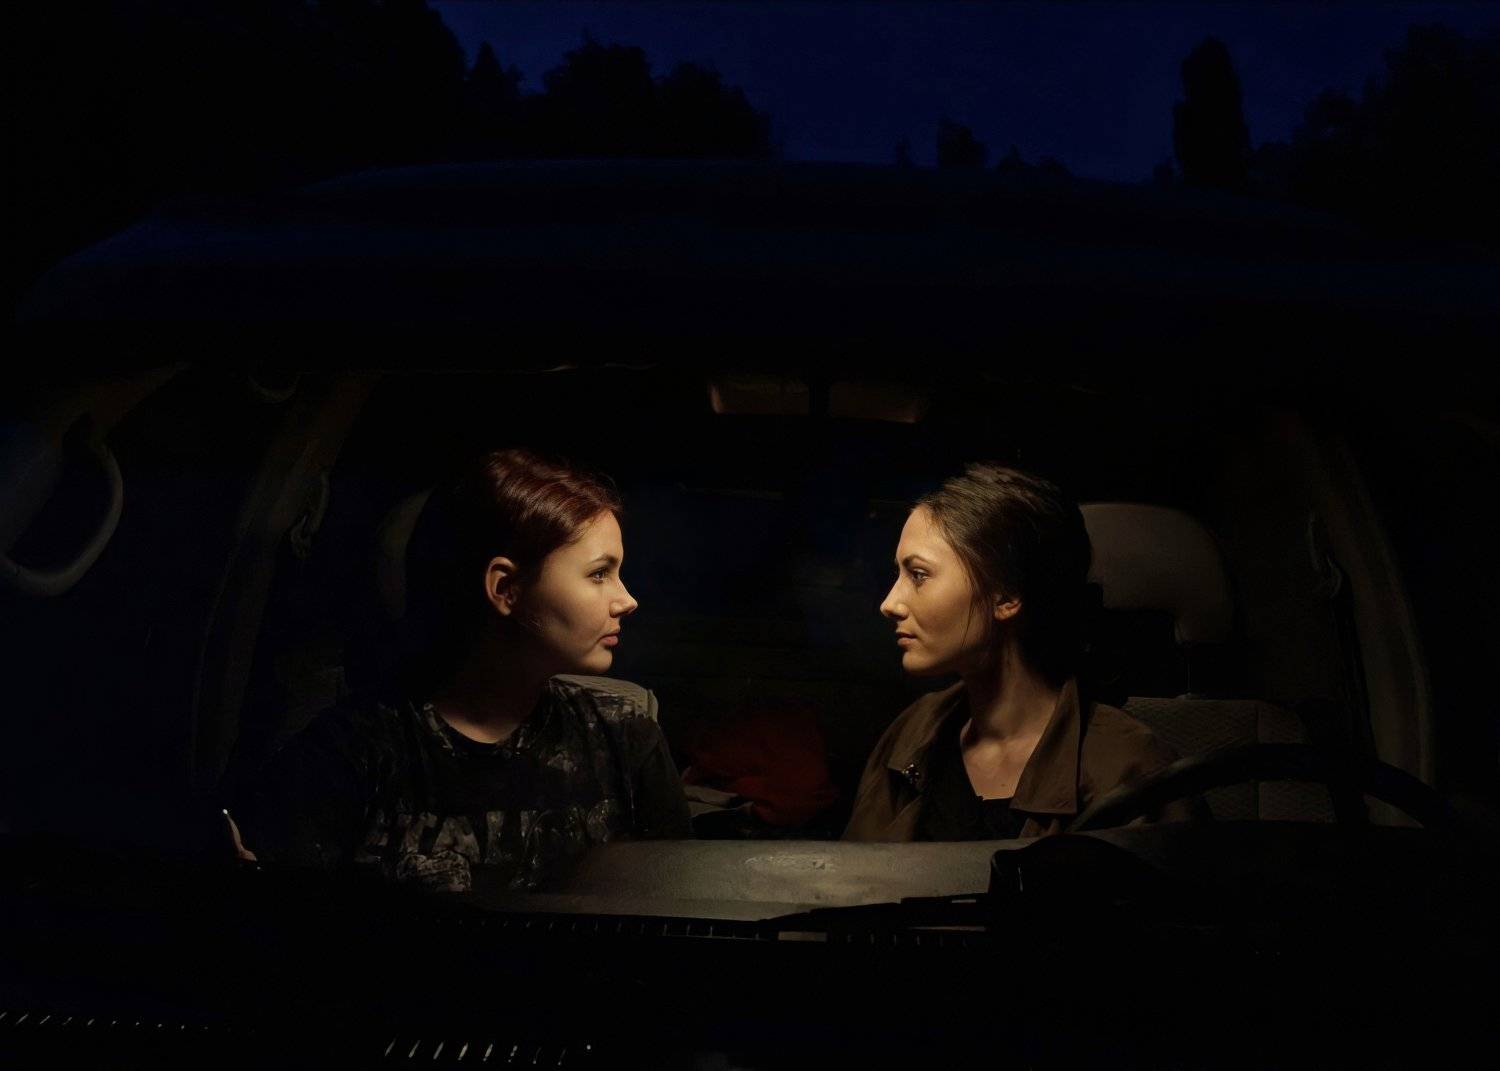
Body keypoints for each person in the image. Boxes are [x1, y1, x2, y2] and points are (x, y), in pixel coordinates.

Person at [234, 448, 691, 893]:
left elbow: (679, 902)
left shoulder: (625, 738)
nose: (627, 600)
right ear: (505, 588)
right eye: (599, 574)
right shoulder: (352, 755)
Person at [844, 463, 1203, 841]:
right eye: (899, 574)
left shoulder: (1130, 767)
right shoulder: (912, 732)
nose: (890, 603)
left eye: (918, 575)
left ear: (1007, 596)